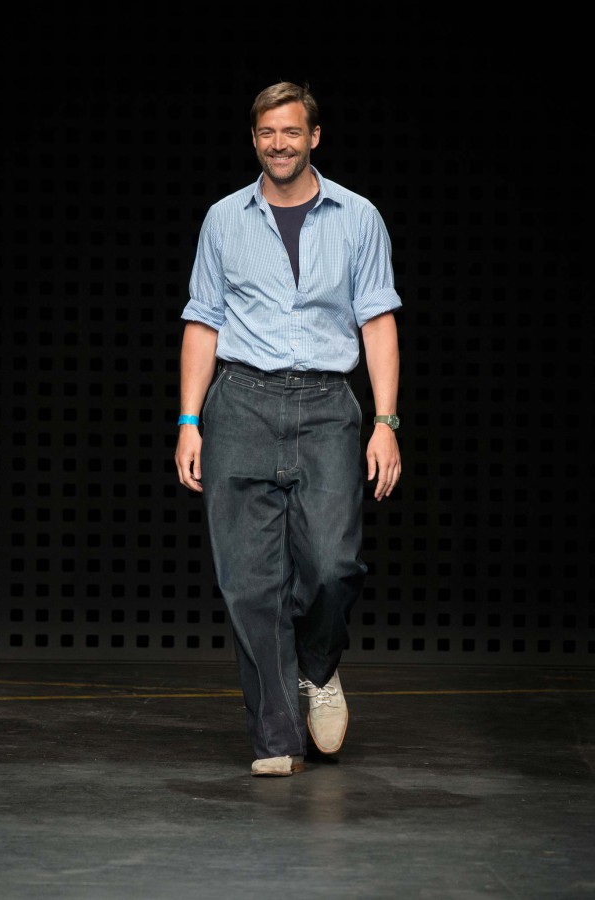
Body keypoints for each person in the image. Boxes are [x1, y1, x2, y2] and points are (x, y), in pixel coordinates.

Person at [175, 81, 402, 777]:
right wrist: (189, 420)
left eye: (291, 131)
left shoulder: (358, 217)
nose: (279, 144)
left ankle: (318, 668)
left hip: (329, 405)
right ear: (254, 139)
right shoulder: (224, 219)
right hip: (240, 401)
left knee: (332, 565)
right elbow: (203, 321)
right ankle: (276, 738)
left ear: (314, 137)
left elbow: (377, 321)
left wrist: (386, 421)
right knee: (250, 581)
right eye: (267, 133)